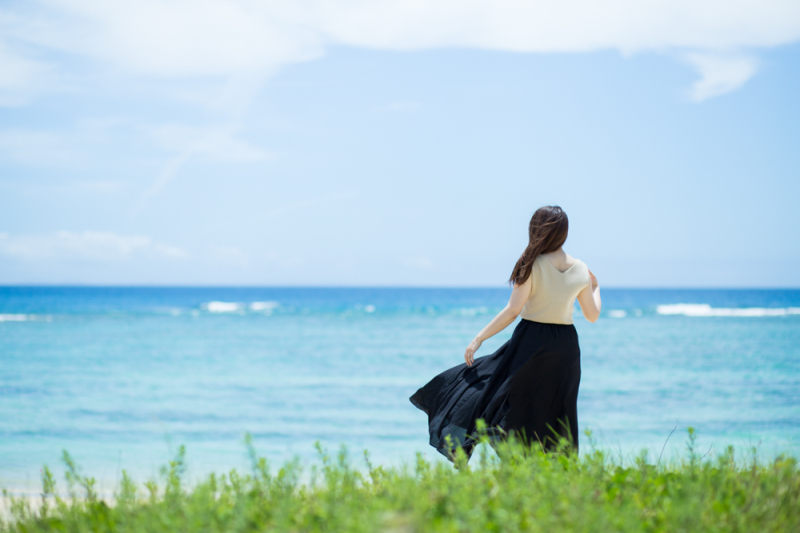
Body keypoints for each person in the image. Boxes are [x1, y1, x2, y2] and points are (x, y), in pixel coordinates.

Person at [409, 205, 601, 461]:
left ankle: (517, 462)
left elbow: (513, 311)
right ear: (564, 232)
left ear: (536, 230)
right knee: (557, 410)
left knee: (506, 399)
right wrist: (596, 287)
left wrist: (479, 338)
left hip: (532, 341)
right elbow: (592, 315)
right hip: (565, 346)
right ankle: (555, 471)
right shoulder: (580, 268)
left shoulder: (532, 263)